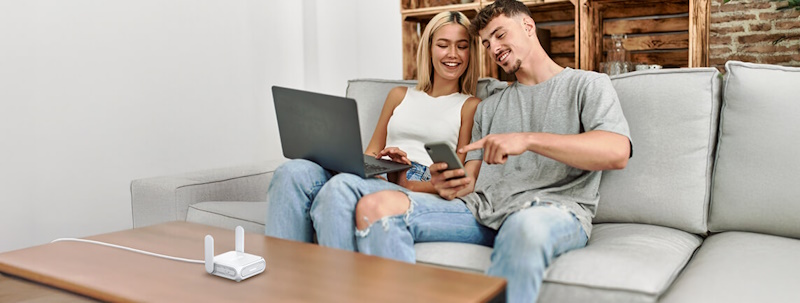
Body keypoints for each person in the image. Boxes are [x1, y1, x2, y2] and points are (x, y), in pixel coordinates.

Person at [348, 1, 633, 302]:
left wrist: (528, 140)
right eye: (486, 43)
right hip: (481, 212)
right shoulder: (489, 107)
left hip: (550, 211)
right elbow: (469, 183)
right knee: (375, 207)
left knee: (524, 227)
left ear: (527, 26)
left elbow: (616, 152)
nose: (494, 48)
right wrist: (446, 184)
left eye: (499, 35)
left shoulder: (587, 85)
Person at [265, 11, 482, 251]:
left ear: (470, 53)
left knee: (340, 188)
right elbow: (371, 151)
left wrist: (405, 179)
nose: (453, 54)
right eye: (443, 45)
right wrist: (365, 165)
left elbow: (456, 178)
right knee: (291, 172)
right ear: (429, 49)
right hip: (380, 173)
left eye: (462, 47)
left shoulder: (470, 105)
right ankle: (284, 278)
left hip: (419, 180)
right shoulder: (399, 95)